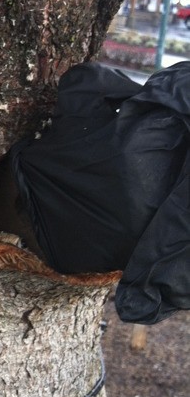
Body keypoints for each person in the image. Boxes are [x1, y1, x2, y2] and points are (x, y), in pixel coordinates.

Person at [10, 61, 190, 325]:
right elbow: (141, 305)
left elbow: (82, 80)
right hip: (71, 254)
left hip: (32, 184)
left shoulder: (152, 130)